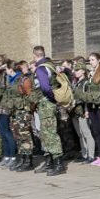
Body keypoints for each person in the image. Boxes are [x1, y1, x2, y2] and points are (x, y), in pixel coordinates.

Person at [32, 46, 66, 176]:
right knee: (45, 134)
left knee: (50, 134)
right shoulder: (50, 65)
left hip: (46, 103)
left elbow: (45, 88)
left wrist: (52, 98)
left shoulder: (41, 68)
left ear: (34, 55)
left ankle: (58, 163)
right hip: (46, 104)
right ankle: (49, 162)